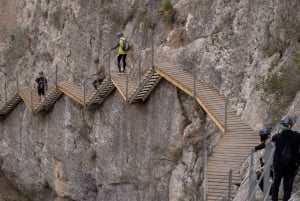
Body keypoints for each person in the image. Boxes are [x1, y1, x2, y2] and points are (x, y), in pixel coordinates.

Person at [271, 115, 300, 201]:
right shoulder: (297, 136)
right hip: (291, 166)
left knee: (276, 184)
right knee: (288, 187)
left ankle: (274, 199)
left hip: (278, 166)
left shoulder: (277, 137)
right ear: (291, 125)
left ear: (282, 125)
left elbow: (269, 144)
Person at [254, 126, 273, 194]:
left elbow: (270, 162)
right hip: (268, 166)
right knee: (259, 176)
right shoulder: (267, 144)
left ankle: (271, 193)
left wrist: (261, 169)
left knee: (259, 176)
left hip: (272, 167)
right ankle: (270, 192)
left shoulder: (270, 145)